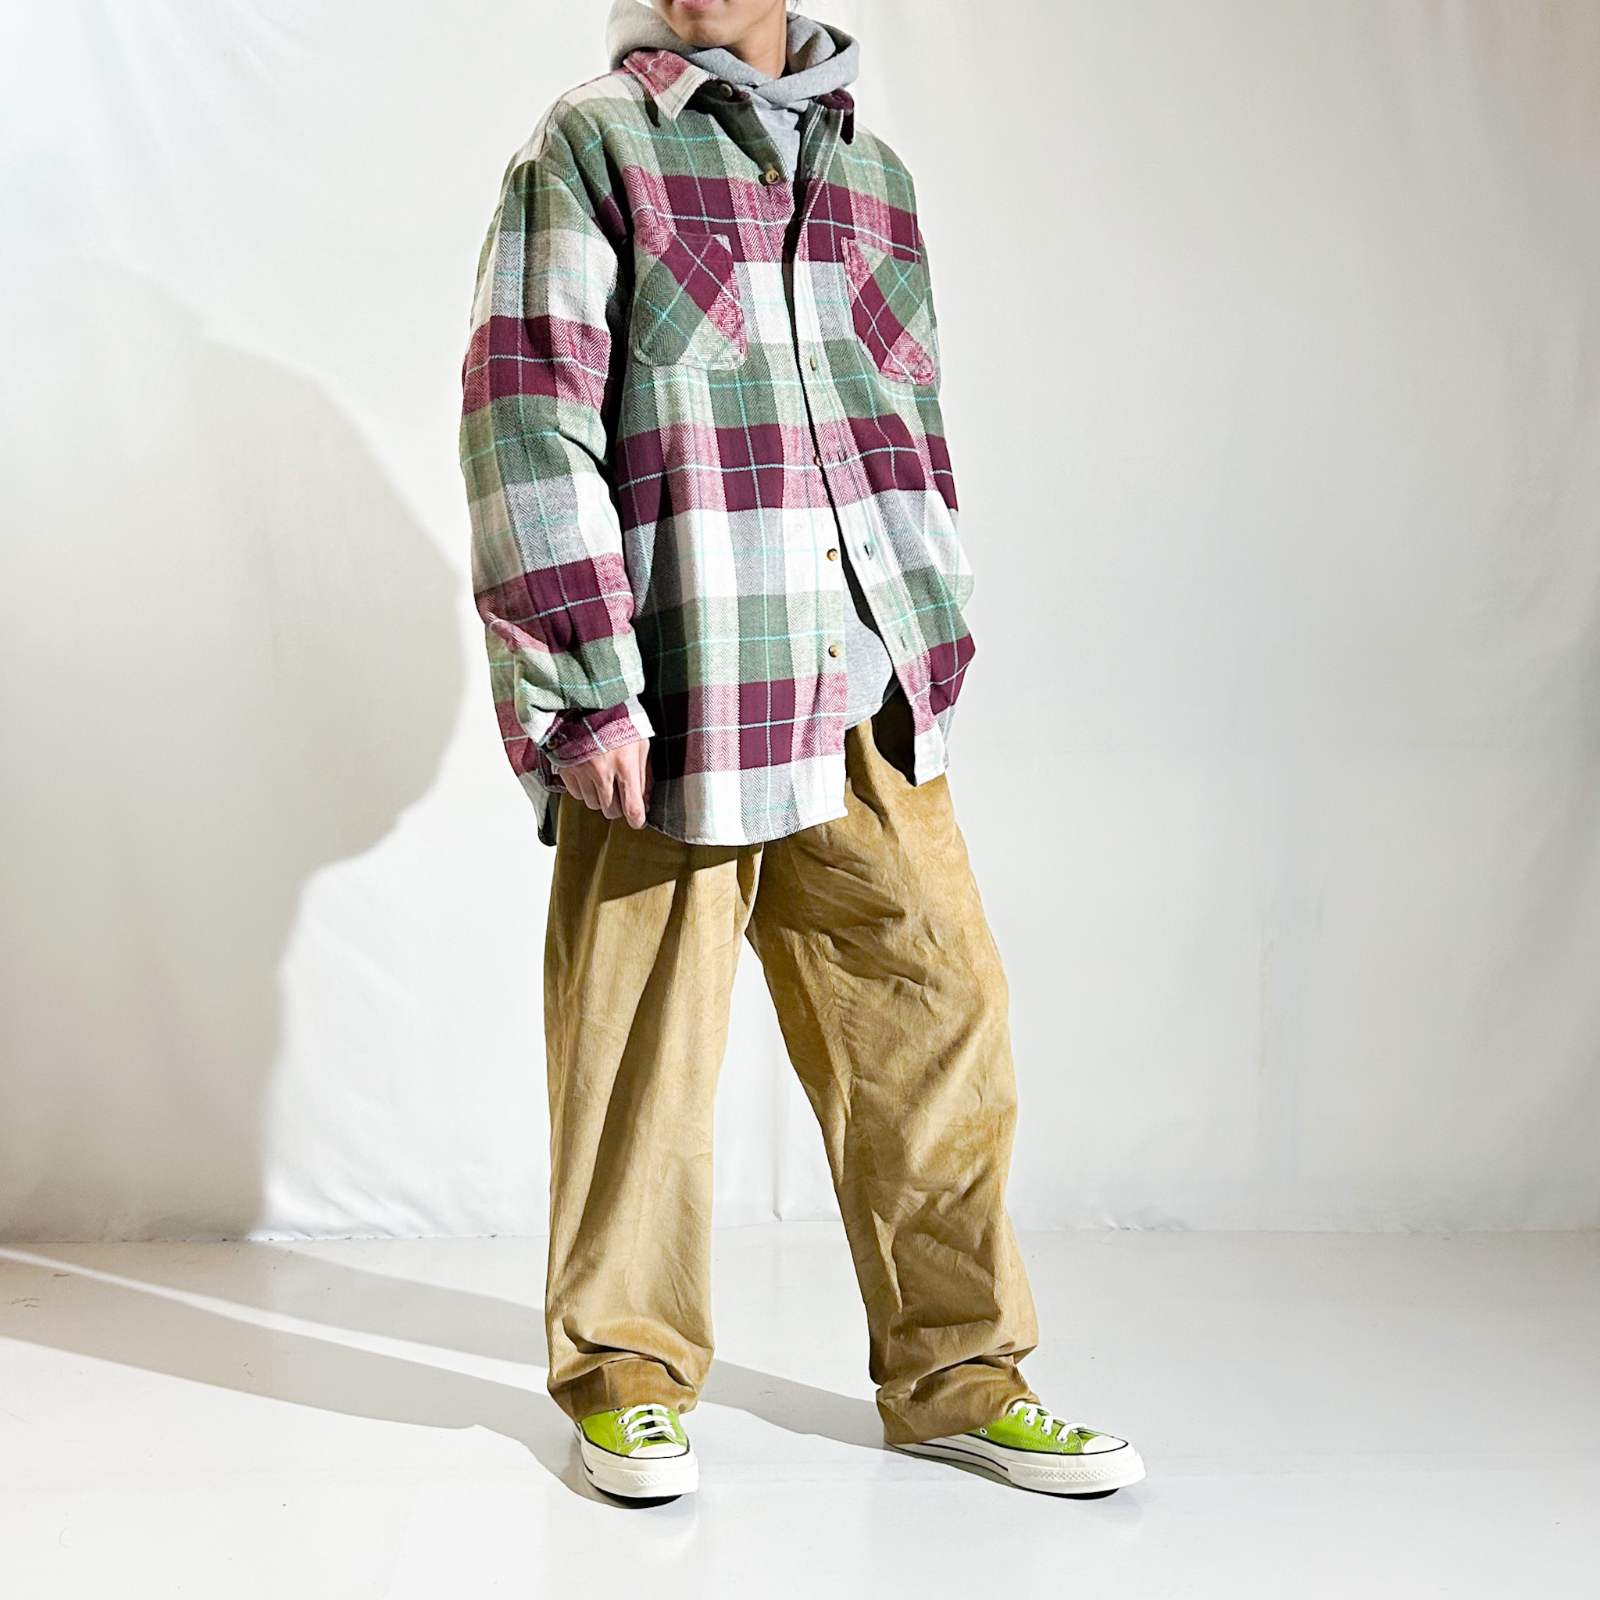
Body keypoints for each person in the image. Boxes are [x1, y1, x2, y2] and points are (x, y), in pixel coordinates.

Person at [458, 0, 1145, 1503]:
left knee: (938, 1017)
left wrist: (932, 625)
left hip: (862, 676)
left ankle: (962, 1377)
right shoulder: (596, 142)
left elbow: (909, 419)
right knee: (642, 1058)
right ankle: (624, 1377)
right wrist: (581, 685)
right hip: (676, 682)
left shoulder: (873, 173)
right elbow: (525, 417)